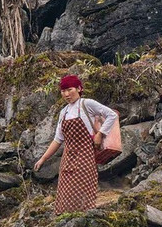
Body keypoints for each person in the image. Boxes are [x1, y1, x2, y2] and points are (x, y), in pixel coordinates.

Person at [33, 75, 118, 214]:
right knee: (66, 190)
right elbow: (58, 140)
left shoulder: (87, 104)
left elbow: (112, 115)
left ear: (79, 89)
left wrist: (100, 134)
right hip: (68, 157)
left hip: (85, 155)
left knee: (82, 188)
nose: (66, 94)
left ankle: (84, 217)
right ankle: (66, 219)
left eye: (70, 89)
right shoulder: (63, 112)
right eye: (63, 91)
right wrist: (43, 159)